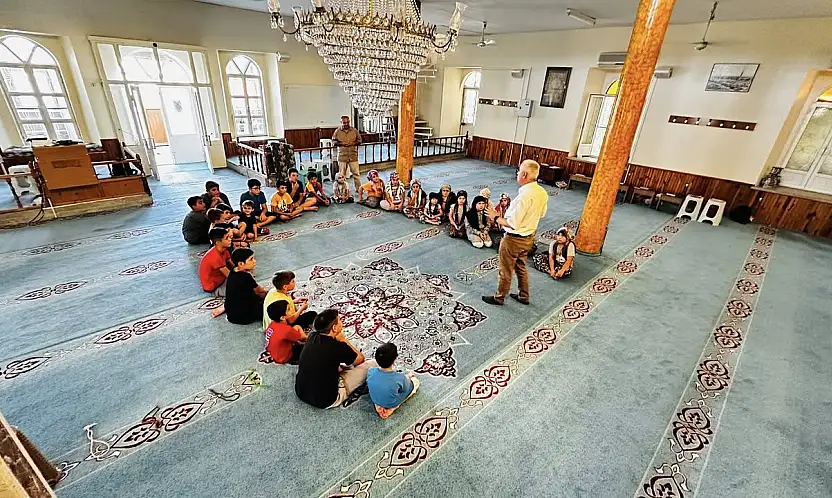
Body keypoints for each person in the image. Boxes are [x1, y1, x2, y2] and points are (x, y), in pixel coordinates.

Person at [482, 159, 549, 306]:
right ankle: (524, 296)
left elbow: (512, 223)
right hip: (528, 237)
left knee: (505, 269)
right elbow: (542, 214)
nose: (517, 173)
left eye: (518, 171)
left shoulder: (524, 196)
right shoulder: (542, 192)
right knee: (521, 267)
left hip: (514, 239)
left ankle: (499, 297)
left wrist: (495, 216)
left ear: (524, 174)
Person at [295, 309, 375, 409]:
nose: (342, 322)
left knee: (337, 365)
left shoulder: (312, 336)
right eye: (340, 320)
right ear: (334, 328)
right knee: (372, 364)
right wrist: (344, 340)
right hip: (326, 400)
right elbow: (360, 360)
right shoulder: (338, 346)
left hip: (301, 391)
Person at [367, 342, 420, 419]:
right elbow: (407, 388)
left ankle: (379, 406)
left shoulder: (371, 371)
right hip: (391, 402)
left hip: (375, 399)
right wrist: (408, 378)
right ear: (394, 361)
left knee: (385, 389)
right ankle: (391, 409)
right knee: (415, 382)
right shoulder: (399, 377)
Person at [224, 248, 268, 325]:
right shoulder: (245, 276)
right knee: (274, 308)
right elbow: (260, 292)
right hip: (244, 317)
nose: (254, 261)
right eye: (251, 259)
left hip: (231, 315)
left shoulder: (233, 271)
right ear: (241, 264)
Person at [199, 228, 233, 317]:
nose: (230, 239)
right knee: (242, 291)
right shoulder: (214, 256)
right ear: (218, 242)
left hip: (222, 279)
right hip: (215, 287)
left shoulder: (224, 250)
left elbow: (232, 265)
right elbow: (230, 276)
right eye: (226, 238)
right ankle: (225, 306)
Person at [264, 300, 307, 364]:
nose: (291, 310)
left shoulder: (272, 324)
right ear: (282, 317)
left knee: (297, 327)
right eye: (289, 309)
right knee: (311, 349)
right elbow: (302, 338)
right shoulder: (286, 330)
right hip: (284, 357)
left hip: (273, 351)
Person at [332, 115, 362, 195]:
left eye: (348, 122)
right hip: (342, 156)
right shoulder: (337, 131)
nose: (346, 124)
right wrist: (341, 143)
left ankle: (359, 189)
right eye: (344, 122)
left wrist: (353, 143)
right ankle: (342, 190)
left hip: (353, 155)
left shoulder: (354, 130)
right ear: (341, 122)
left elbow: (359, 141)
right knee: (342, 175)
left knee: (356, 174)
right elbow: (334, 142)